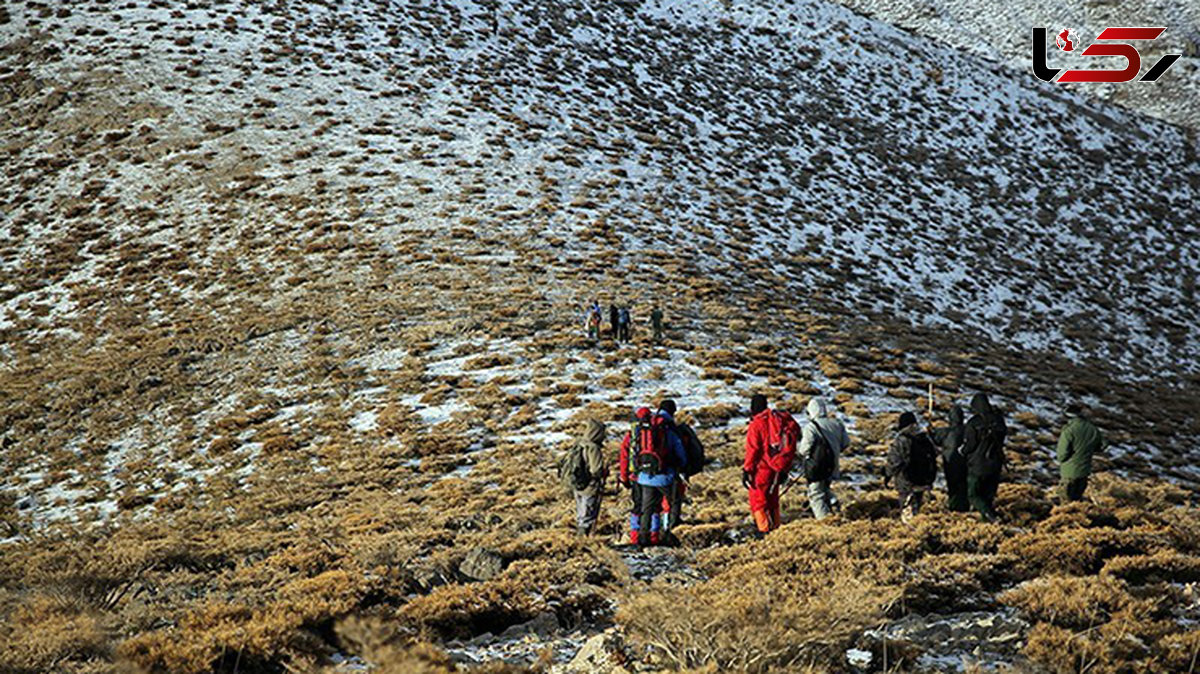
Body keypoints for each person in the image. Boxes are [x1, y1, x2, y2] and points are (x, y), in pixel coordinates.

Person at [743, 394, 800, 535]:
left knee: (758, 500)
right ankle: (776, 528)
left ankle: (765, 531)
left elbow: (753, 450)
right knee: (772, 498)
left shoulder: (757, 424)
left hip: (762, 469)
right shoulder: (776, 420)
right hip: (777, 468)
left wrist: (747, 470)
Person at [633, 401, 688, 547]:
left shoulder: (644, 428)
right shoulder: (669, 429)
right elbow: (680, 453)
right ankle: (668, 533)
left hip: (645, 476)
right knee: (672, 503)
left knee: (647, 508)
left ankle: (643, 538)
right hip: (665, 476)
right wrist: (681, 466)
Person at [799, 397, 850, 520]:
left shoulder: (811, 427)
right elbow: (846, 443)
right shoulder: (837, 424)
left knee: (816, 495)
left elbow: (803, 450)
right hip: (833, 465)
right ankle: (833, 502)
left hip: (817, 467)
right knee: (825, 487)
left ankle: (825, 521)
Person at [960, 393, 1007, 522]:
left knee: (973, 494)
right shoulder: (999, 420)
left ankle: (991, 517)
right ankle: (986, 524)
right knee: (988, 496)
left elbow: (970, 445)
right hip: (995, 463)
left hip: (978, 465)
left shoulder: (974, 423)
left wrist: (962, 452)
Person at [886, 412, 939, 523]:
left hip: (907, 481)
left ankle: (909, 530)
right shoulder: (925, 437)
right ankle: (916, 525)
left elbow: (894, 461)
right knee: (917, 504)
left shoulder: (902, 439)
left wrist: (887, 474)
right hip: (923, 479)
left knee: (907, 508)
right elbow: (935, 452)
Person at [561, 420, 608, 535]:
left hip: (577, 483)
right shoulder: (593, 448)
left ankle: (580, 534)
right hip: (589, 485)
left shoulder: (579, 443)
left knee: (581, 512)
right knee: (589, 513)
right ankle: (585, 538)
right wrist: (604, 472)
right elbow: (596, 469)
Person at [1056, 404, 1105, 503]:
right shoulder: (1093, 429)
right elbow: (1103, 445)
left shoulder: (1069, 430)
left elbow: (1062, 455)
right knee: (1077, 501)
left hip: (1069, 472)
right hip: (1084, 472)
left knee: (1066, 504)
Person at [617, 407, 652, 545]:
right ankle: (653, 535)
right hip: (653, 475)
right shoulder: (657, 432)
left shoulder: (631, 436)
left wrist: (624, 478)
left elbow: (624, 458)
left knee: (637, 506)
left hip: (635, 476)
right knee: (653, 507)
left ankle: (634, 536)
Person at [932, 404, 969, 512]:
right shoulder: (967, 430)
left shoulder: (945, 431)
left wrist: (931, 431)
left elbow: (934, 439)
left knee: (953, 486)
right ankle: (964, 507)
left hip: (950, 463)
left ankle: (954, 507)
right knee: (963, 485)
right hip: (965, 462)